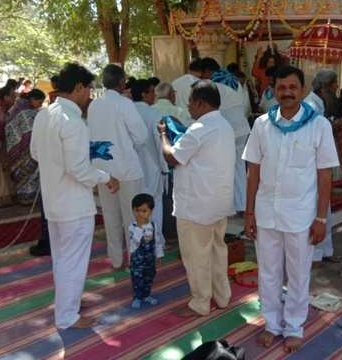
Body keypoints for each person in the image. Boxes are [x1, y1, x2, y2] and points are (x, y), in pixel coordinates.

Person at [243, 65, 339, 353]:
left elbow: (325, 175)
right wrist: (249, 212)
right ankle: (272, 324)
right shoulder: (262, 124)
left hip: (300, 215)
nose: (286, 93)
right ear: (273, 90)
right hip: (266, 213)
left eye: (292, 87)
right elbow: (253, 171)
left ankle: (294, 326)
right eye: (281, 87)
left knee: (298, 274)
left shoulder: (319, 125)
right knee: (268, 273)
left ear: (302, 89)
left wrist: (321, 218)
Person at [30, 62, 119, 329]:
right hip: (74, 205)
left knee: (63, 259)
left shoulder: (44, 115)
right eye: (89, 89)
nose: (90, 95)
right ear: (78, 87)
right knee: (73, 262)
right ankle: (67, 317)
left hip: (54, 201)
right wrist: (106, 178)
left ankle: (67, 306)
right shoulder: (73, 122)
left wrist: (56, 163)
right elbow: (78, 168)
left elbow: (36, 153)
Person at [158, 80, 235, 317]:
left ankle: (200, 302)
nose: (189, 106)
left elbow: (173, 158)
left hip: (196, 206)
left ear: (201, 103)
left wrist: (163, 136)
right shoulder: (224, 126)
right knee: (217, 252)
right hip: (218, 203)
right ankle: (222, 297)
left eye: (190, 101)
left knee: (196, 256)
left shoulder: (200, 128)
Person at [87, 64, 147, 270]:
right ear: (122, 82)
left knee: (111, 217)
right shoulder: (124, 104)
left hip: (103, 167)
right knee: (133, 218)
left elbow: (92, 137)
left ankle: (116, 260)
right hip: (126, 168)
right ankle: (135, 260)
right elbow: (141, 136)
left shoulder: (94, 105)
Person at [205, 57, 251, 215]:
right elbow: (246, 106)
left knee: (225, 169)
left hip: (228, 129)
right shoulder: (234, 80)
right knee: (239, 168)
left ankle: (229, 206)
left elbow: (212, 109)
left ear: (209, 71)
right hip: (242, 128)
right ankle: (243, 204)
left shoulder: (214, 83)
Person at [132, 79, 168, 232]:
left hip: (132, 168)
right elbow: (160, 142)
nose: (155, 95)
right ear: (143, 94)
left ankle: (137, 239)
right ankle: (156, 244)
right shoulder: (154, 113)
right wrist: (164, 166)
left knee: (135, 206)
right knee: (154, 205)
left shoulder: (128, 111)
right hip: (152, 166)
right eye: (152, 91)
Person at [6, 89, 45, 205]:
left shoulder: (16, 107)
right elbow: (31, 132)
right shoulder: (27, 112)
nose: (41, 105)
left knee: (20, 174)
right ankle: (27, 197)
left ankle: (22, 196)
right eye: (40, 102)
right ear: (32, 99)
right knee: (28, 174)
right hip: (25, 149)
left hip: (13, 146)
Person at [129, 193, 164, 309]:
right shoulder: (132, 226)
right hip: (137, 261)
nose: (140, 214)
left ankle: (146, 295)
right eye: (137, 211)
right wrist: (139, 227)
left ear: (151, 211)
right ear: (133, 210)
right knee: (137, 279)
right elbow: (134, 243)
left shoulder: (154, 225)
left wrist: (159, 255)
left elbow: (157, 241)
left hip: (150, 260)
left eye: (144, 211)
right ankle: (137, 297)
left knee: (149, 278)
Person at [171, 59, 204, 126]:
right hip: (194, 121)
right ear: (201, 72)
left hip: (177, 120)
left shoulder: (175, 82)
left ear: (188, 69)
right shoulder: (200, 84)